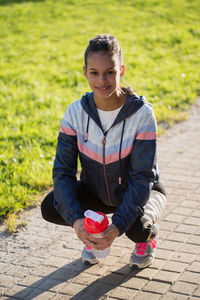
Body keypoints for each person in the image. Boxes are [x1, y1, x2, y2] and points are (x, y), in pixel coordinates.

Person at [41, 34, 167, 268]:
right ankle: (94, 233)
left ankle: (147, 241)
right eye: (94, 73)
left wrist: (116, 227)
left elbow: (142, 178)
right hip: (97, 192)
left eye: (110, 72)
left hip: (141, 191)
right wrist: (79, 222)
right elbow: (63, 172)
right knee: (51, 206)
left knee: (138, 229)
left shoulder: (142, 115)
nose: (102, 80)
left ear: (122, 70)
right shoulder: (75, 113)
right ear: (85, 72)